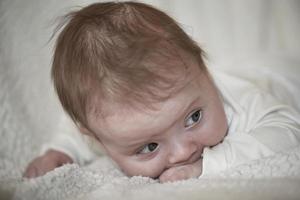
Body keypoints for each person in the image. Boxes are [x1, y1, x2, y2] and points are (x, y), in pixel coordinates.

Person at [24, 1, 300, 182]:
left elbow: (288, 131)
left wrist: (207, 167)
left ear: (204, 70)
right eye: (149, 147)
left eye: (193, 118)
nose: (182, 153)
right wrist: (60, 151)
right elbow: (76, 131)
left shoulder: (237, 98)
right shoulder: (107, 126)